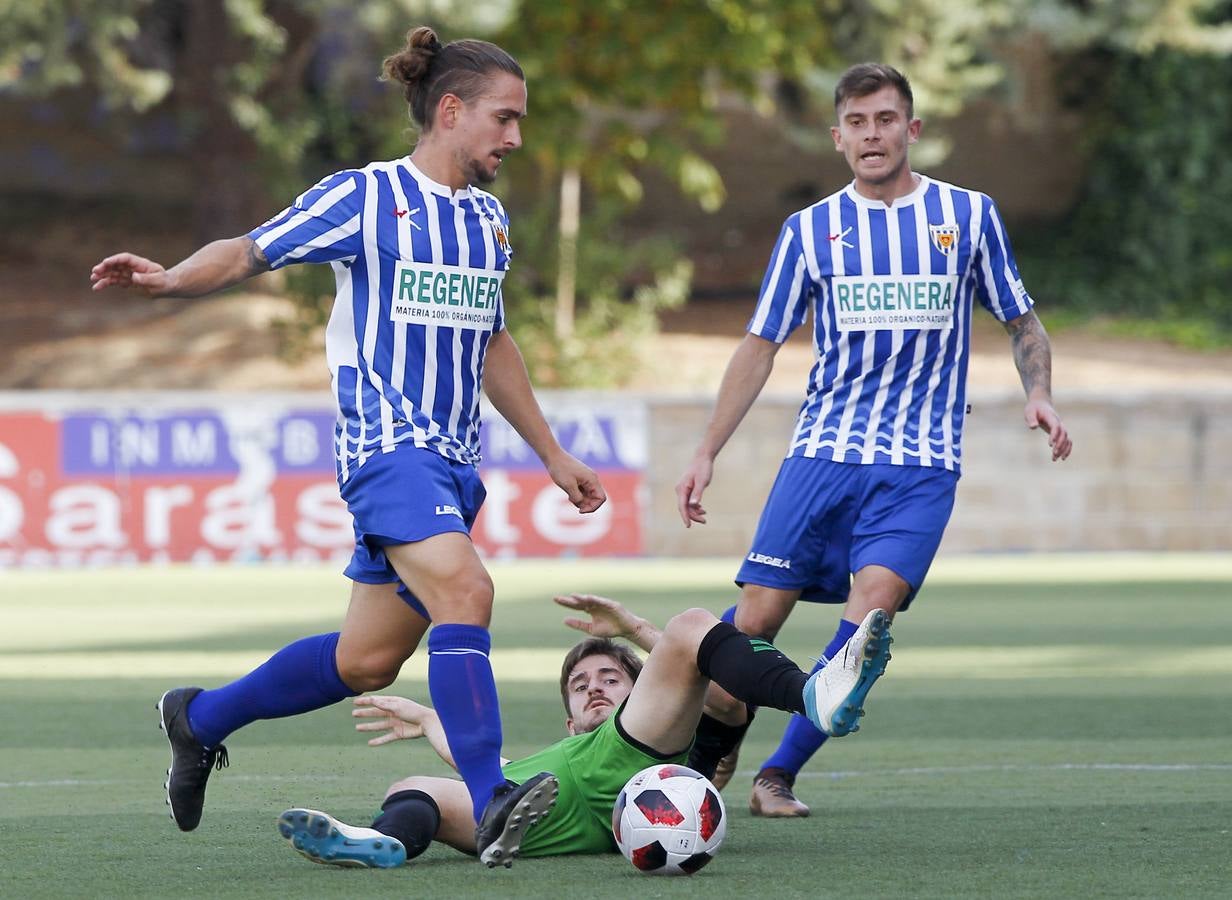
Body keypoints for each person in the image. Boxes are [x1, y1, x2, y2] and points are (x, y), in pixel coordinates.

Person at [89, 26, 606, 860]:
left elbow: (492, 343)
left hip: (454, 463)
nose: (516, 137)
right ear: (449, 111)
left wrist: (551, 453)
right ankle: (494, 795)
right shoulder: (365, 197)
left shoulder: (488, 222)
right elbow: (254, 249)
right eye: (504, 119)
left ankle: (198, 716)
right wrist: (174, 277)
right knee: (467, 594)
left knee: (366, 663)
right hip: (386, 450)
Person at [674, 62, 1074, 818]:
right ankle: (709, 741)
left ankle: (777, 776)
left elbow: (1022, 320)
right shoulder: (811, 231)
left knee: (873, 617)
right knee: (756, 623)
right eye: (856, 123)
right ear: (837, 138)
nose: (872, 135)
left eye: (885, 119)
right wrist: (706, 450)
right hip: (823, 453)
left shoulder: (969, 216)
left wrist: (1041, 394)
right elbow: (760, 343)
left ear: (911, 128)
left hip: (921, 464)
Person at [275, 593, 891, 868]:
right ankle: (383, 846)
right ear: (569, 718)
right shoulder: (564, 747)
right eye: (581, 685)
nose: (595, 685)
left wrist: (636, 631)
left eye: (611, 677)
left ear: (648, 688)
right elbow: (484, 763)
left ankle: (810, 692)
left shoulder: (643, 733)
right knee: (419, 786)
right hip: (538, 813)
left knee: (693, 625)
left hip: (630, 770)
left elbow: (726, 703)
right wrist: (436, 721)